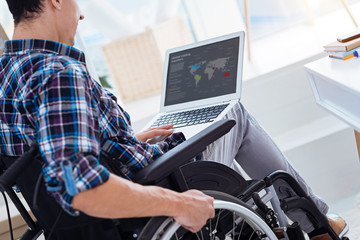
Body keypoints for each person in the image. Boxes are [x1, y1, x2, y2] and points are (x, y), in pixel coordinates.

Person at [0, 0, 348, 239]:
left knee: (204, 123)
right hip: (158, 185)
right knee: (235, 114)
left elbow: (46, 158)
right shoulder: (58, 73)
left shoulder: (7, 72)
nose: (82, 15)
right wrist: (179, 203)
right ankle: (318, 223)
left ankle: (315, 220)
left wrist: (128, 140)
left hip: (78, 213)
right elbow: (81, 185)